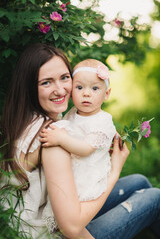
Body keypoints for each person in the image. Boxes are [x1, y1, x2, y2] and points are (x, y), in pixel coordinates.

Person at [0, 43, 160, 239]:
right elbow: (72, 228)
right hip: (51, 232)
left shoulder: (26, 120)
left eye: (64, 78)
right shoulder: (53, 136)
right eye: (46, 82)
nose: (60, 90)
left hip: (55, 214)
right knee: (155, 197)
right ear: (30, 88)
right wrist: (115, 170)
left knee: (139, 181)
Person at [39, 58, 117, 202]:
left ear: (106, 93)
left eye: (95, 88)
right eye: (79, 87)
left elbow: (86, 149)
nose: (86, 94)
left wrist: (61, 138)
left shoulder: (103, 121)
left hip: (88, 178)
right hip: (70, 173)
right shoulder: (73, 113)